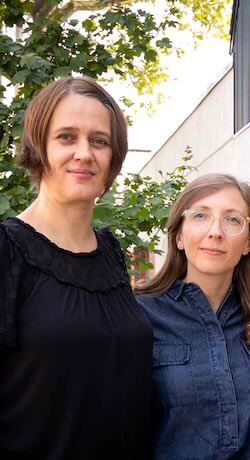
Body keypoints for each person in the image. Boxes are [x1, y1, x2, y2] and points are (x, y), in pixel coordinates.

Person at [0, 77, 151, 458]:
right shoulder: (7, 250)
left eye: (99, 141)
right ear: (39, 148)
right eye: (66, 137)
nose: (84, 153)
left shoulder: (112, 252)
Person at [136, 174, 250, 459]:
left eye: (232, 220)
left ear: (249, 242)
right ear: (178, 236)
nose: (216, 231)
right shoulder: (140, 315)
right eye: (201, 216)